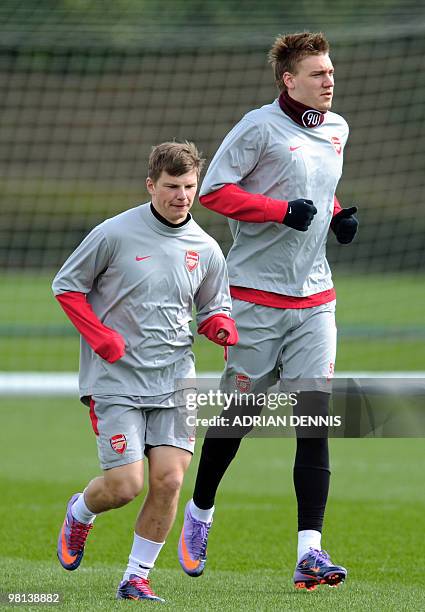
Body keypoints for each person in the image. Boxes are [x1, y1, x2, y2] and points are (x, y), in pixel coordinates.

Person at [178, 32, 358, 591]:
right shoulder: (258, 127)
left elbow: (317, 190)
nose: (329, 80)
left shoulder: (337, 129)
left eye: (330, 71)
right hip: (253, 298)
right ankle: (199, 515)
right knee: (238, 416)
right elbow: (214, 192)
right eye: (318, 73)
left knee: (314, 420)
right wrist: (280, 211)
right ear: (289, 80)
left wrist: (336, 214)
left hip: (315, 302)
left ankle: (311, 552)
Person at [52, 141, 238, 602]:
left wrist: (219, 327)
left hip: (176, 378)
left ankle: (136, 578)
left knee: (170, 480)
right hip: (115, 380)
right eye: (172, 186)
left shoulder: (207, 247)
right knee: (125, 485)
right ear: (151, 184)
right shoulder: (114, 234)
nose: (181, 196)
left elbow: (215, 306)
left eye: (189, 187)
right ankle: (80, 513)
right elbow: (67, 287)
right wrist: (101, 338)